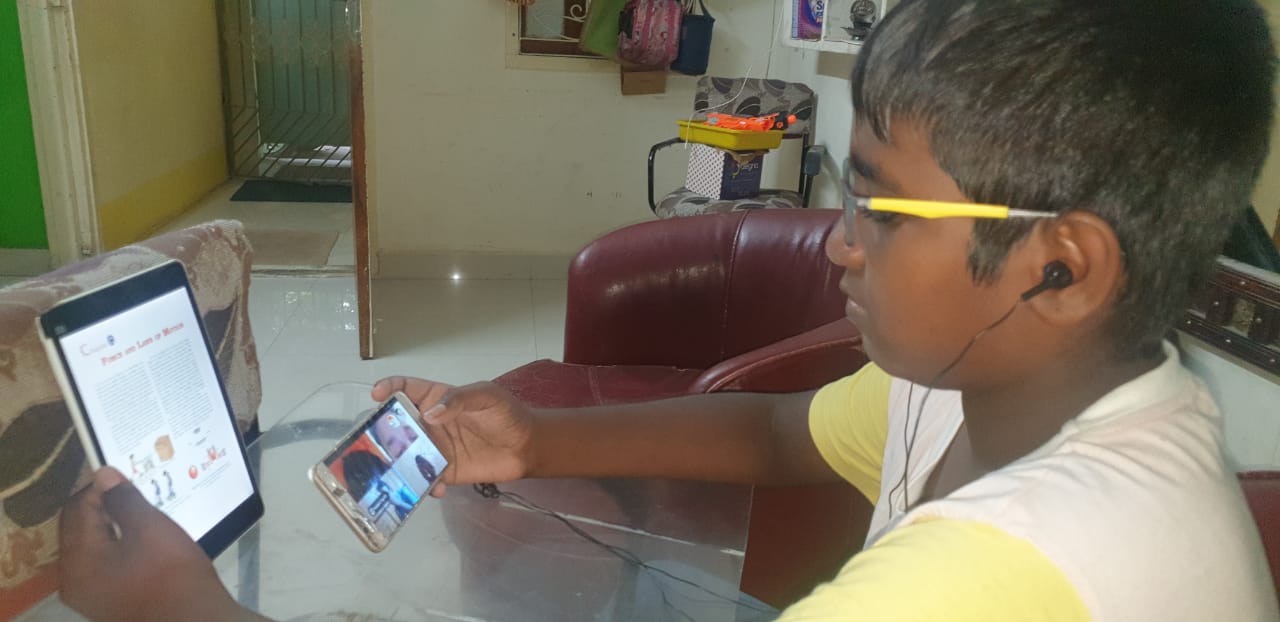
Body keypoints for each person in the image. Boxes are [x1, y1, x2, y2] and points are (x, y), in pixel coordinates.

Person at [58, 1, 1277, 620]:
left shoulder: (992, 576)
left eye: (879, 205)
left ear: (1059, 266)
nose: (837, 242)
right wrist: (532, 437)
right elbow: (784, 433)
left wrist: (183, 608)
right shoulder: (999, 382)